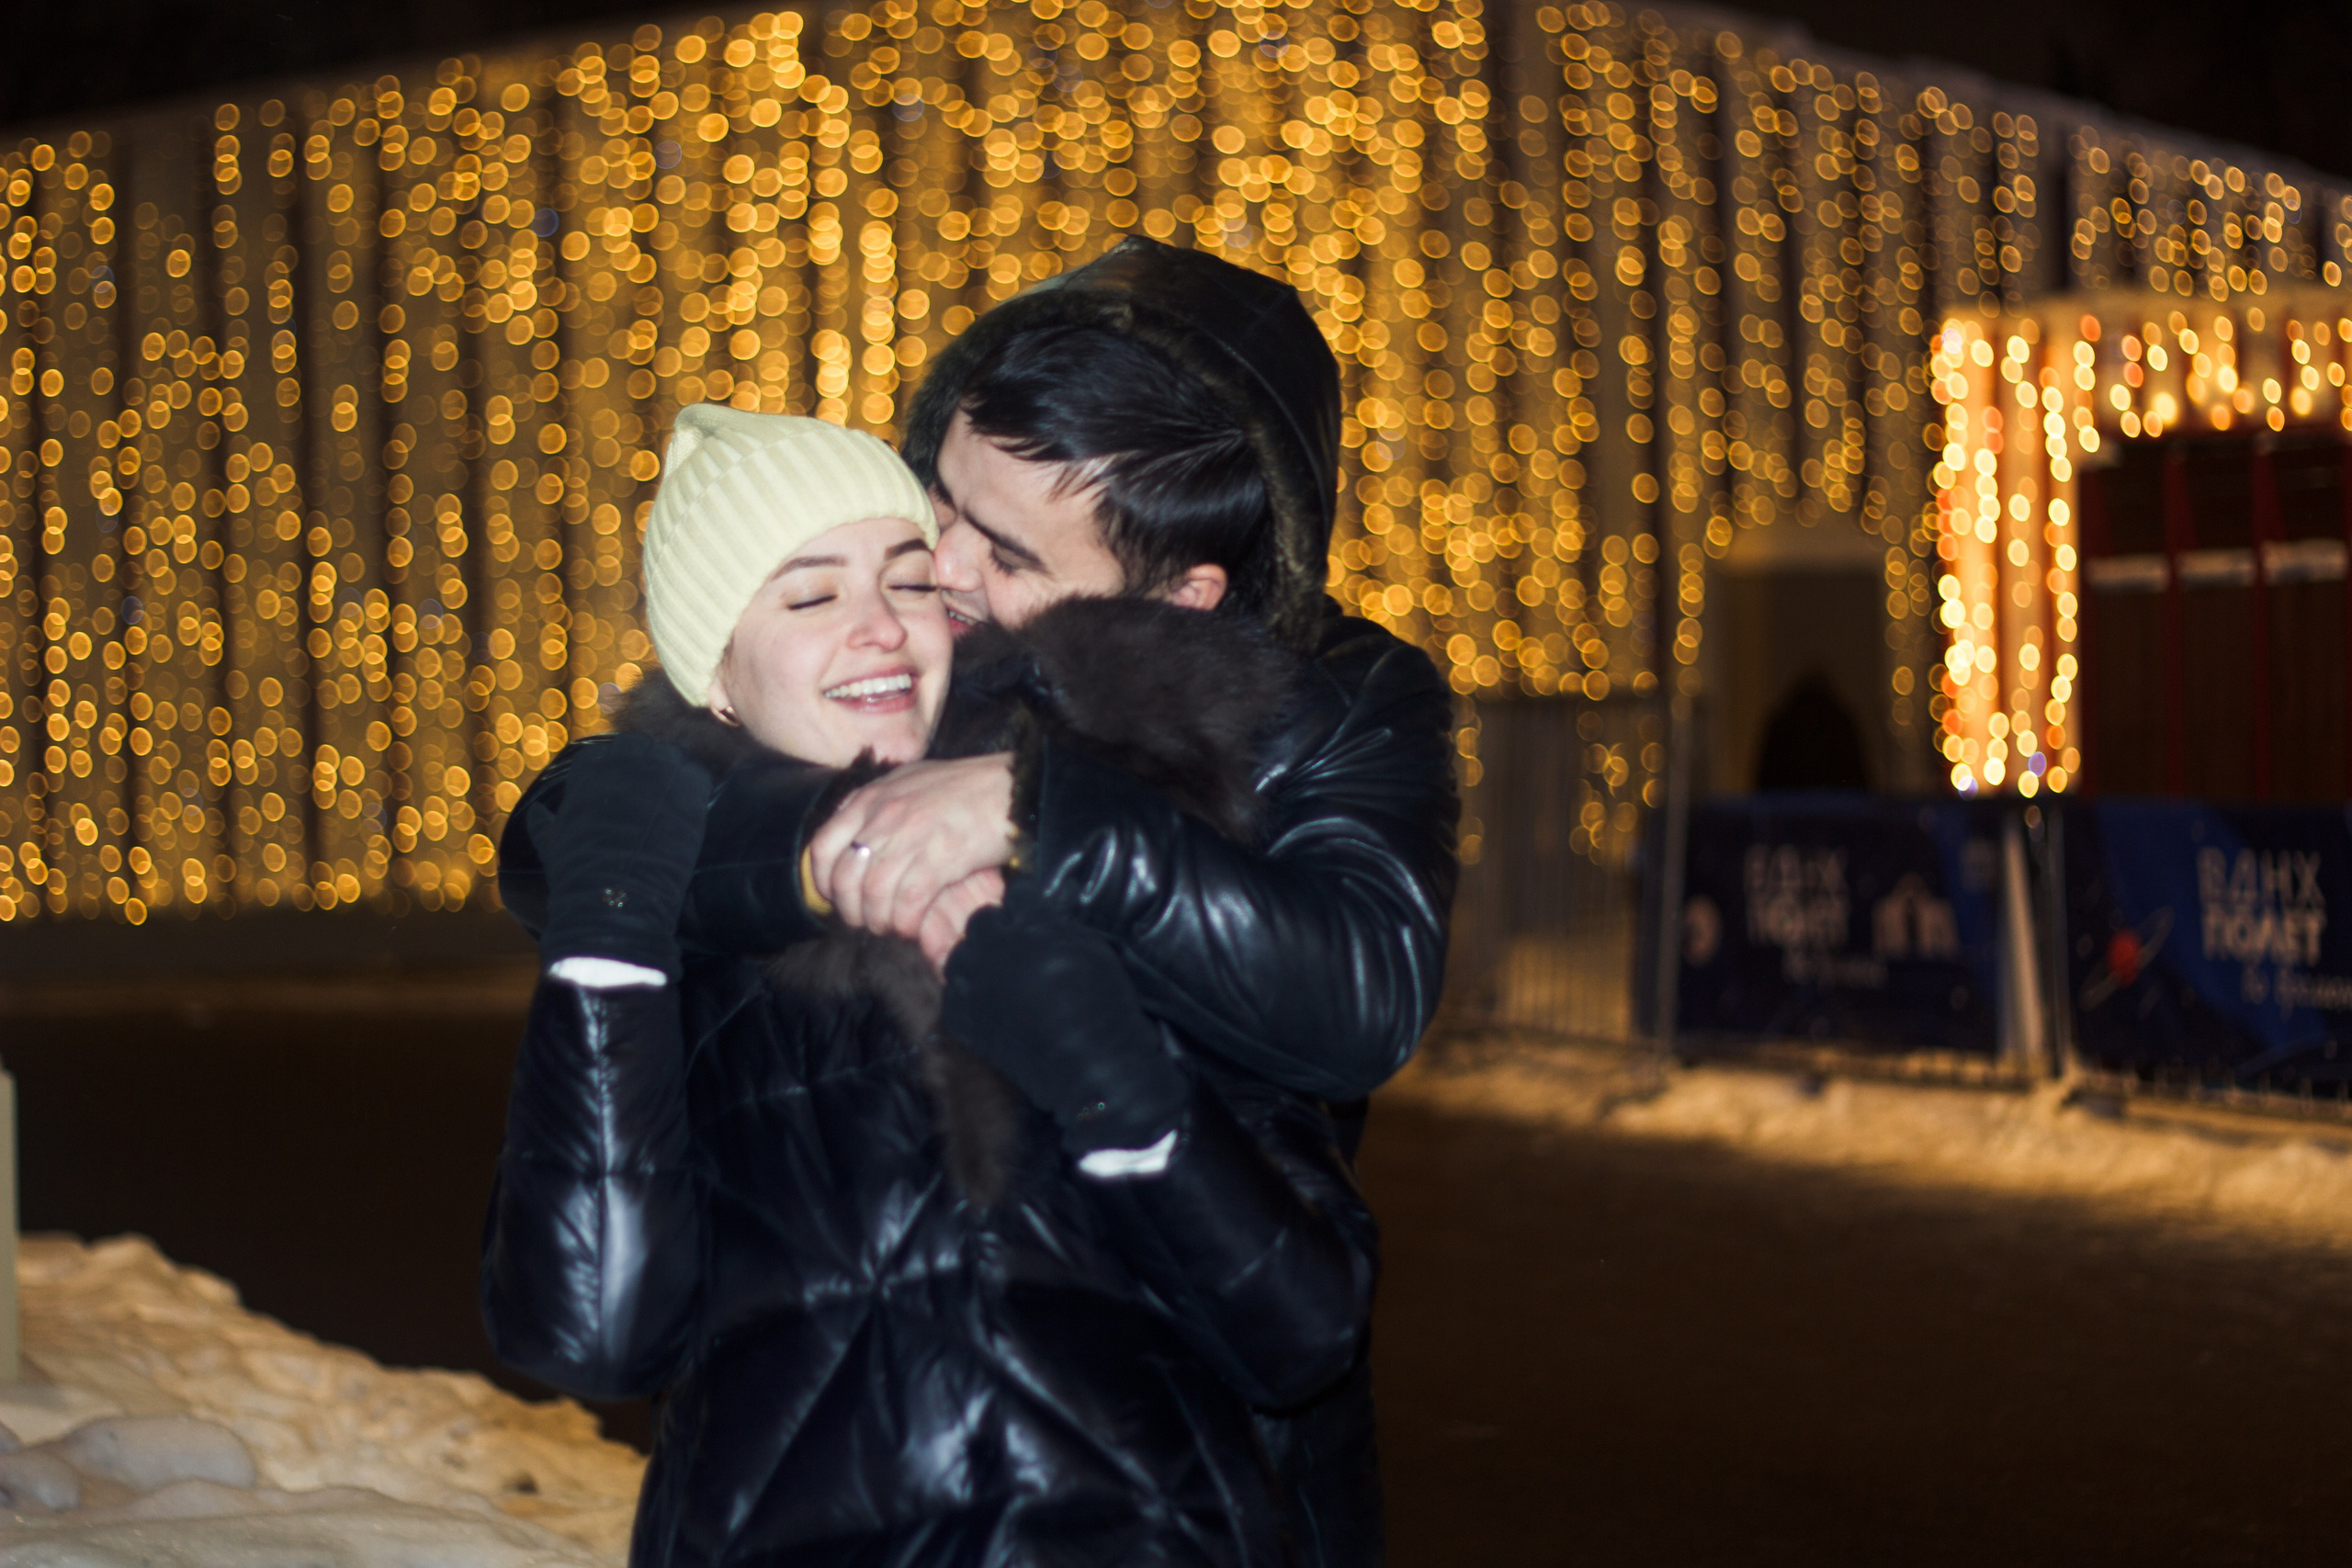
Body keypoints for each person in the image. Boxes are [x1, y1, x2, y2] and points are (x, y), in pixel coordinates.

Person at [510, 237, 1461, 1567]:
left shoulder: (1307, 718)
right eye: (937, 501)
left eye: (1002, 551)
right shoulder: (852, 682)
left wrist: (1040, 813)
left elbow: (1358, 1003)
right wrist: (756, 860)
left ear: (1178, 600)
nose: (938, 571)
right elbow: (597, 816)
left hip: (1185, 1480)